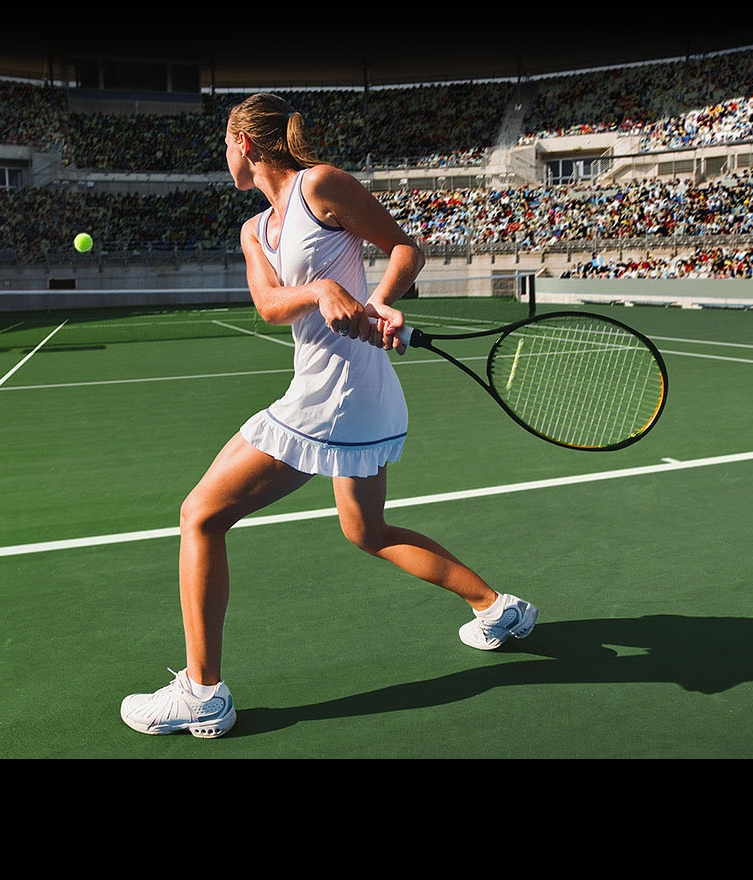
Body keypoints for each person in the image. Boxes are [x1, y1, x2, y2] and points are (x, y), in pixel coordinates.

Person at [120, 92, 537, 738]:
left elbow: (404, 249)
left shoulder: (322, 186)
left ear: (245, 144)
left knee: (199, 515)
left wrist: (379, 301)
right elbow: (268, 304)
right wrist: (320, 289)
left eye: (224, 145)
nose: (223, 157)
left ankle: (202, 694)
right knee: (366, 531)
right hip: (345, 394)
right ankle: (496, 606)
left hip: (338, 396)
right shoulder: (254, 230)